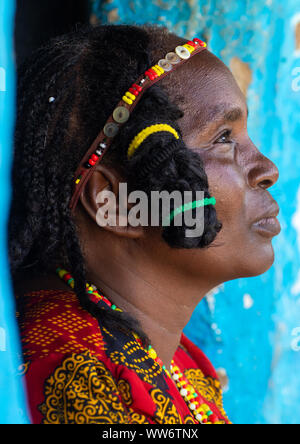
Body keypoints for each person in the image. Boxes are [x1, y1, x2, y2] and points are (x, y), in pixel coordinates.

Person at [9, 23, 280, 424]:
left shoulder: (174, 360)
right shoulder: (73, 377)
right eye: (223, 138)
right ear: (114, 203)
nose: (267, 170)